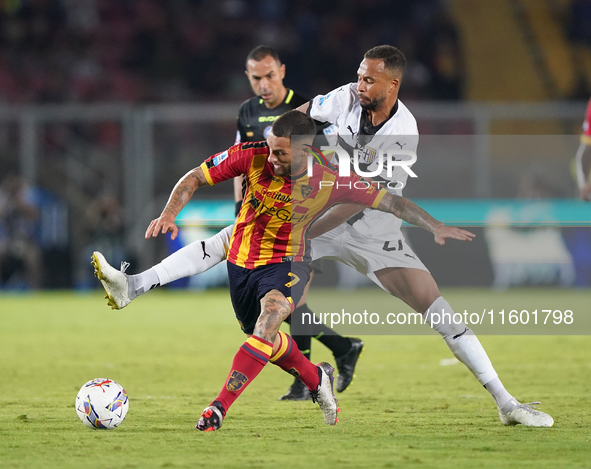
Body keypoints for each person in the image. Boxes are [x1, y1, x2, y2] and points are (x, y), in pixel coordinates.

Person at [94, 45, 555, 427]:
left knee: (434, 305)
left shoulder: (403, 131)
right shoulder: (343, 99)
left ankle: (505, 403)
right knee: (241, 269)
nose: (361, 85)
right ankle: (140, 287)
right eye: (359, 76)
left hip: (363, 224)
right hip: (312, 207)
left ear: (393, 86)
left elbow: (368, 200)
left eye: (370, 80)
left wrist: (309, 226)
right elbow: (299, 115)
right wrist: (288, 144)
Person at [93, 110, 475, 431]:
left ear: (306, 150)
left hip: (288, 263)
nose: (272, 158)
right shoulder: (252, 154)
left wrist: (434, 225)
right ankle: (316, 378)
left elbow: (392, 201)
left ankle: (218, 408)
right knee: (266, 342)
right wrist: (169, 213)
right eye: (271, 148)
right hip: (242, 262)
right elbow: (194, 176)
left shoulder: (331, 177)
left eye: (281, 153)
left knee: (270, 320)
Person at [233, 45, 363, 400]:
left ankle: (305, 378)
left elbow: (328, 164)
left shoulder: (305, 111)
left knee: (292, 298)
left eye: (269, 76)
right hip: (264, 219)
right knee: (290, 302)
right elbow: (244, 164)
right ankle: (342, 348)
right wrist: (239, 208)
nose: (263, 84)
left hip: (304, 216)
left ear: (282, 72)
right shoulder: (247, 112)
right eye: (256, 77)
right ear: (248, 77)